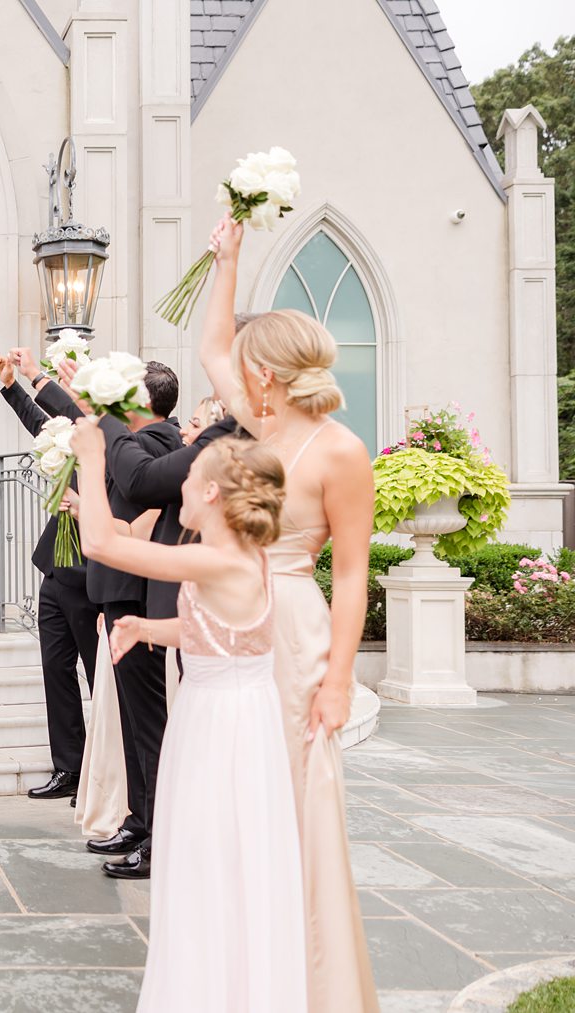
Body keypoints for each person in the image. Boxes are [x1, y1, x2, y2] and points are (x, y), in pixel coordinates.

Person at [199, 213, 380, 1013]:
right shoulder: (262, 428)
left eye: (247, 366)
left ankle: (311, 982)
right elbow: (210, 347)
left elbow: (350, 574)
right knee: (239, 792)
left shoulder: (341, 451)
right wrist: (227, 262)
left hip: (297, 628)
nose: (235, 373)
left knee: (297, 796)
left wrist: (338, 679)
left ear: (266, 373)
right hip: (232, 625)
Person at [76, 417, 305, 1013]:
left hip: (224, 729)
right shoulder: (234, 557)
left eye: (190, 474)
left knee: (211, 861)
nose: (177, 483)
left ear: (210, 493)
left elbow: (102, 542)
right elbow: (221, 633)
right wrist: (147, 625)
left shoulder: (223, 560)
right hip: (222, 713)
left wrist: (90, 454)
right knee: (211, 861)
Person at [15, 350, 183, 880]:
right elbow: (92, 433)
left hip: (137, 597)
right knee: (130, 722)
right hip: (116, 595)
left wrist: (82, 400)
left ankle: (158, 834)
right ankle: (138, 817)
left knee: (147, 726)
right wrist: (50, 388)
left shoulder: (159, 442)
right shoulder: (132, 439)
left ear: (144, 401)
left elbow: (120, 461)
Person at [0, 352, 100, 803]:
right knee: (56, 671)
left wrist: (39, 376)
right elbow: (45, 425)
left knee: (100, 678)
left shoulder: (116, 439)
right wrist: (12, 386)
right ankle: (68, 769)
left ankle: (104, 773)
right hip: (55, 569)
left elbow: (67, 412)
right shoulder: (78, 434)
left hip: (92, 576)